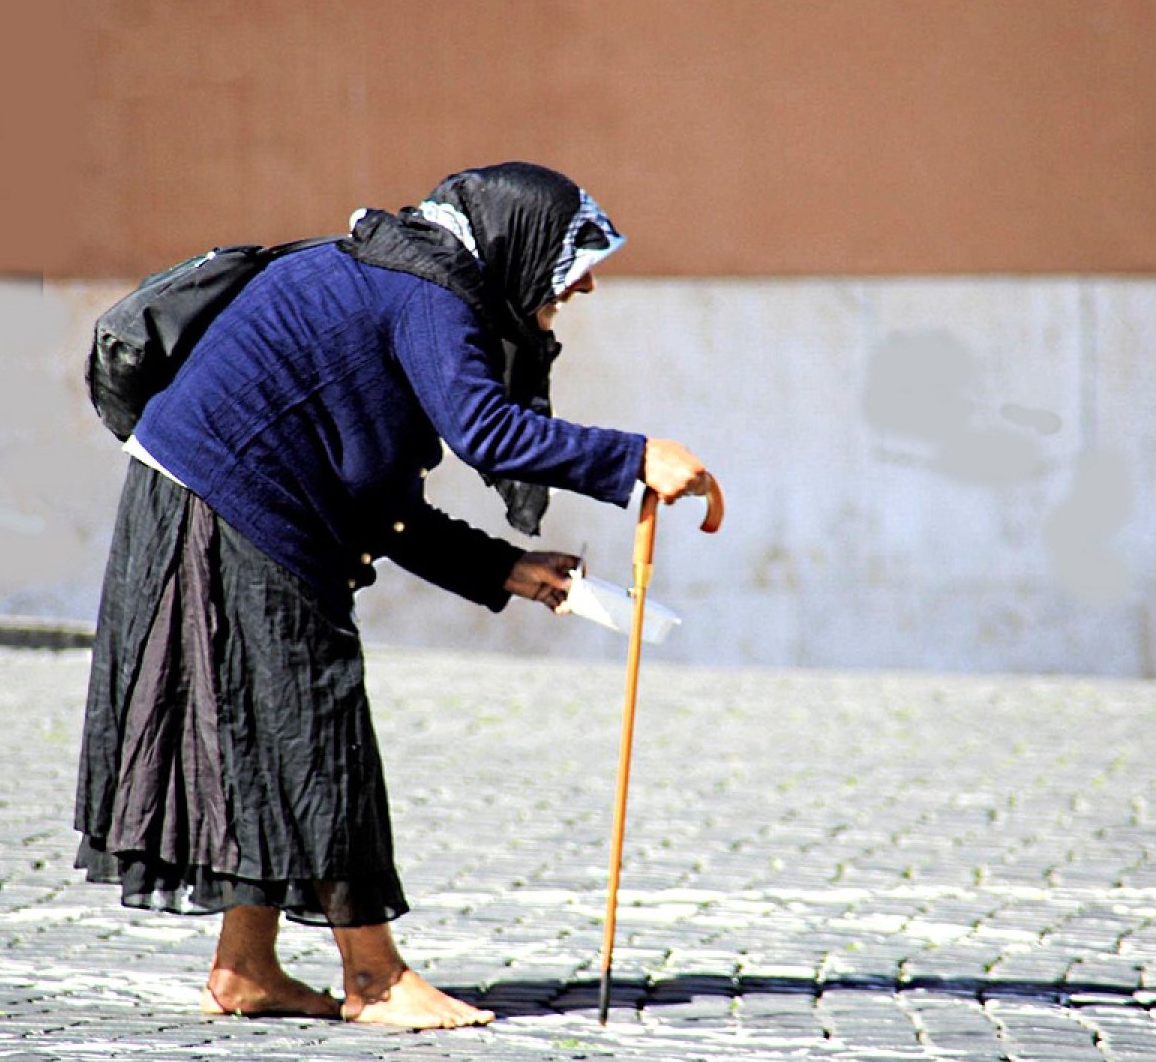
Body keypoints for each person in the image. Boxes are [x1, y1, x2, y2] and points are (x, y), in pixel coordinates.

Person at [72, 161, 714, 1030]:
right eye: (574, 259)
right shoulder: (429, 296)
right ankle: (373, 978)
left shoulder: (402, 276)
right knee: (317, 724)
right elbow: (485, 428)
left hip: (208, 501)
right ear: (516, 246)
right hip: (226, 508)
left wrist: (502, 569)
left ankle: (246, 968)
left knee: (273, 737)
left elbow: (375, 491)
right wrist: (635, 457)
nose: (586, 280)